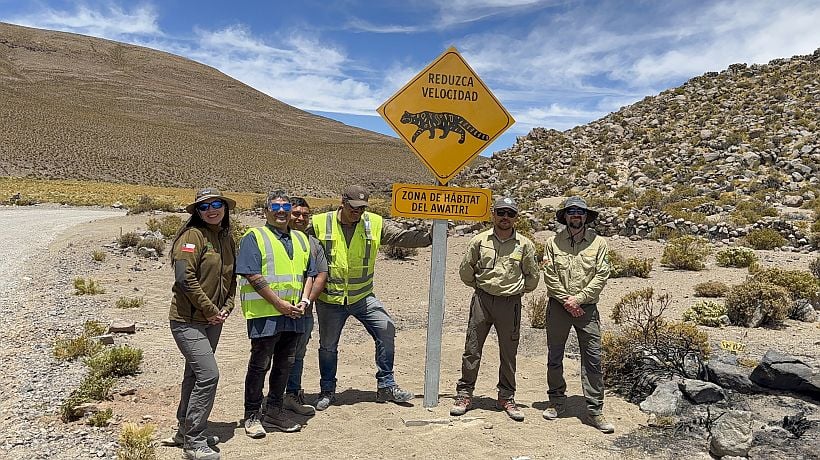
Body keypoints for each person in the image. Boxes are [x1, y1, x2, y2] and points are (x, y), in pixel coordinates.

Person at [309, 185, 432, 411]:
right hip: (330, 300)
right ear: (342, 203)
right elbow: (295, 240)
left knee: (386, 329)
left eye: (362, 208)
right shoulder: (319, 223)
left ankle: (386, 385)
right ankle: (327, 390)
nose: (358, 212)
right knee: (328, 346)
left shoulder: (374, 223)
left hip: (363, 296)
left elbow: (401, 237)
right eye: (353, 207)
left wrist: (432, 236)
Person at [236, 190, 320, 437]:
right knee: (260, 364)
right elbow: (252, 274)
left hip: (294, 313)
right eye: (276, 207)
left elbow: (308, 274)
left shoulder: (302, 240)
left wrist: (304, 301)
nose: (281, 211)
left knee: (285, 364)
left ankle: (274, 411)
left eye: (285, 206)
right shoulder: (255, 236)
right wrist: (279, 303)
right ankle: (252, 415)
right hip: (265, 313)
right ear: (266, 212)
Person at [450, 196, 540, 421]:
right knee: (472, 348)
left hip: (510, 303)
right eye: (501, 212)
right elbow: (466, 271)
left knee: (508, 353)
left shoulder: (525, 244)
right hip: (482, 300)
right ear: (493, 215)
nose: (505, 218)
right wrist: (481, 287)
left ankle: (507, 397)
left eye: (510, 214)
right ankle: (464, 394)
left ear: (516, 218)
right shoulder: (479, 241)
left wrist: (516, 290)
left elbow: (532, 277)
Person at [165, 187, 237, 460]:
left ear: (225, 207)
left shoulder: (226, 238)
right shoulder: (192, 237)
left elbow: (232, 279)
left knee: (194, 375)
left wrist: (227, 306)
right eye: (204, 207)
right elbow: (185, 279)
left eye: (216, 204)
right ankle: (194, 441)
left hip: (213, 319)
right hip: (187, 320)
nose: (211, 210)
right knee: (209, 375)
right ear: (197, 212)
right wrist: (209, 310)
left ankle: (186, 429)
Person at [541, 196, 614, 433]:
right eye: (571, 211)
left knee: (593, 358)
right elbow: (549, 275)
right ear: (565, 216)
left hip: (587, 308)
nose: (576, 215)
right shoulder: (553, 243)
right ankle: (556, 401)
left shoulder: (598, 243)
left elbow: (602, 274)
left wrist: (578, 299)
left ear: (586, 216)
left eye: (580, 212)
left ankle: (594, 410)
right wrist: (566, 300)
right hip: (558, 307)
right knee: (555, 356)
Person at [282, 197, 328, 416]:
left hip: (303, 311)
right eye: (296, 213)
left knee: (297, 354)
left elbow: (320, 274)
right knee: (266, 355)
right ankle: (266, 401)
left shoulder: (313, 244)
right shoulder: (272, 239)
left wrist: (307, 301)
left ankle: (291, 394)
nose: (300, 218)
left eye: (305, 215)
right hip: (273, 309)